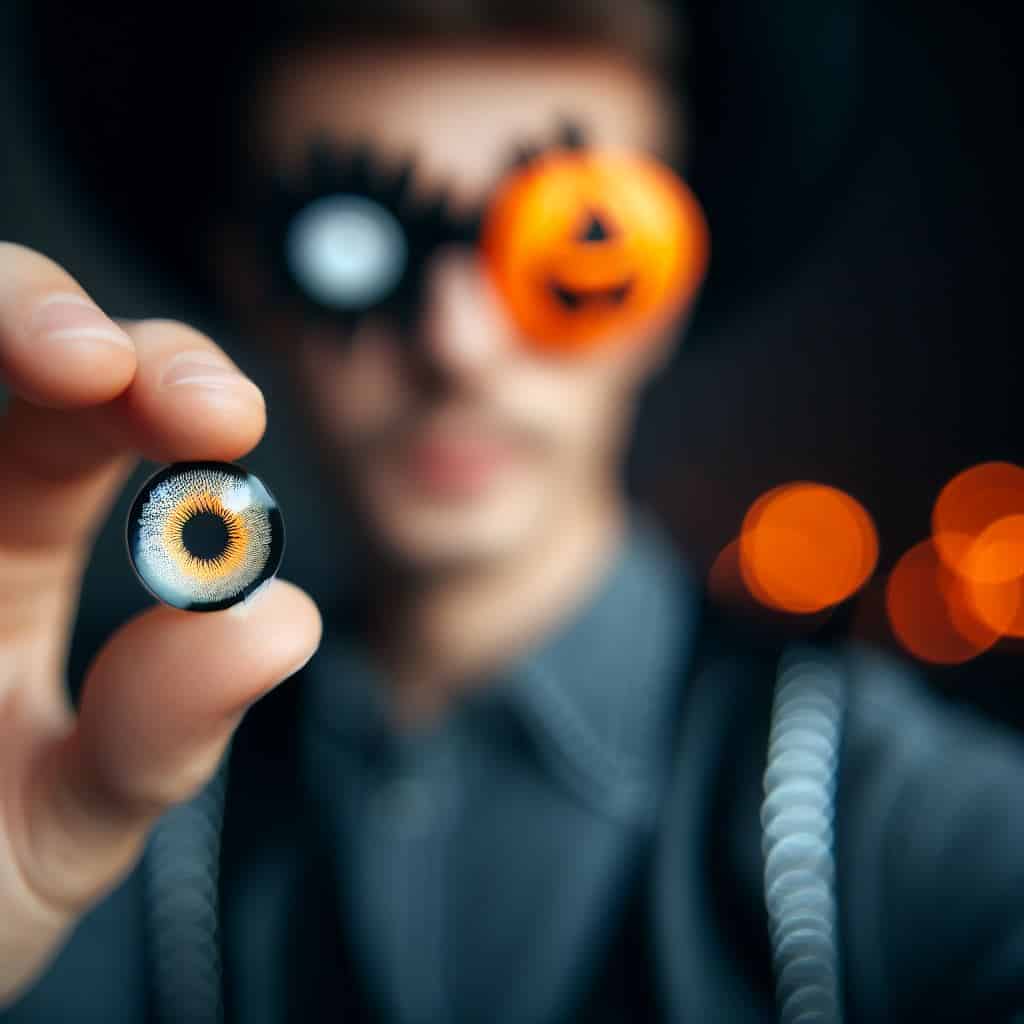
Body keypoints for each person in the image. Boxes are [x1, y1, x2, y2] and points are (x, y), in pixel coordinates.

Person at [2, 2, 1024, 1022]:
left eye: (575, 244)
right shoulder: (97, 796)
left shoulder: (887, 824)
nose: (459, 345)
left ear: (667, 286)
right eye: (351, 242)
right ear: (250, 278)